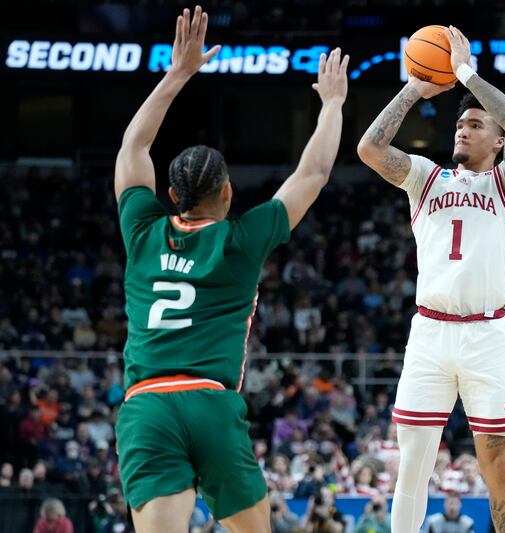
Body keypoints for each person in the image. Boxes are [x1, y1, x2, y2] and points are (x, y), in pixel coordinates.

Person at [112, 6, 349, 533]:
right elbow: (314, 170)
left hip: (147, 407)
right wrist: (332, 105)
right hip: (211, 404)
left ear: (171, 195)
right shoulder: (242, 241)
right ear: (228, 192)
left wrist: (178, 75)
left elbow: (134, 146)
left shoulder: (142, 228)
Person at [358, 25, 505, 533]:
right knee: (412, 462)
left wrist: (465, 74)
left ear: (497, 143)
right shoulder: (424, 176)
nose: (463, 128)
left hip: (486, 334)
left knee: (497, 461)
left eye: (476, 124)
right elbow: (370, 149)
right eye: (460, 122)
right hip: (430, 332)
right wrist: (415, 86)